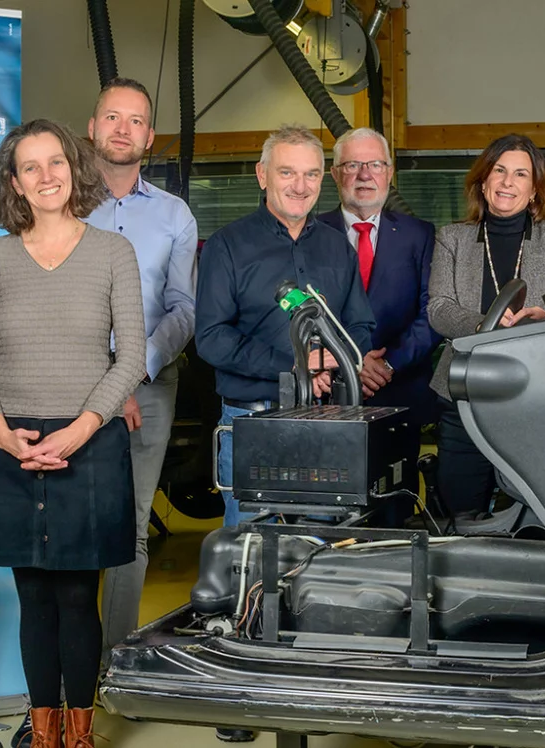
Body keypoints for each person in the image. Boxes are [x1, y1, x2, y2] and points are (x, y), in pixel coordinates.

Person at [0, 119, 146, 748]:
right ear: (14, 183)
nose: (46, 176)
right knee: (34, 597)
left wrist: (79, 430)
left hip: (88, 442)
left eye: (56, 162)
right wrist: (0, 432)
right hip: (10, 442)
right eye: (30, 167)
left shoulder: (113, 252)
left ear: (74, 167)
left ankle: (80, 735)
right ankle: (44, 736)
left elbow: (131, 357)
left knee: (77, 596)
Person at [194, 126, 376, 741]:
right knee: (247, 554)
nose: (300, 185)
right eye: (288, 172)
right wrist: (295, 365)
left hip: (324, 423)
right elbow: (211, 337)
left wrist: (337, 361)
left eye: (311, 174)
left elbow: (360, 322)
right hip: (252, 422)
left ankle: (309, 685)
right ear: (262, 174)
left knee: (318, 553)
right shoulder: (227, 245)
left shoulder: (335, 246)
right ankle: (240, 694)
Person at [82, 78, 200, 669]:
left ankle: (115, 663)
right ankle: (71, 666)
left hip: (150, 388)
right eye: (112, 117)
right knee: (74, 524)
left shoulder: (175, 214)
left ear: (150, 137)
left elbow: (184, 309)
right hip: (70, 384)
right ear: (92, 127)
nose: (123, 129)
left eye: (135, 120)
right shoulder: (61, 203)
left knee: (129, 526)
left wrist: (135, 368)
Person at [427, 133, 545, 517]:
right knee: (460, 515)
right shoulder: (453, 237)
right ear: (483, 181)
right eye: (499, 171)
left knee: (533, 517)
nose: (507, 182)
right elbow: (438, 309)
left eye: (520, 174)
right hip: (464, 396)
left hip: (536, 401)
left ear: (534, 189)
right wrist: (483, 324)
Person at [317, 127, 440, 431]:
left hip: (401, 394)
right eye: (352, 165)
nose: (365, 175)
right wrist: (348, 363)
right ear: (334, 174)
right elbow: (297, 314)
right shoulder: (310, 234)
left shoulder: (420, 234)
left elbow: (433, 313)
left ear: (389, 172)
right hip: (328, 397)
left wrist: (387, 364)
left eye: (375, 164)